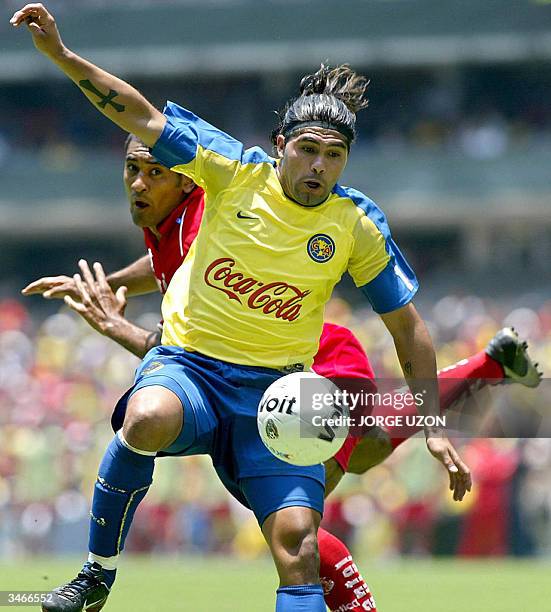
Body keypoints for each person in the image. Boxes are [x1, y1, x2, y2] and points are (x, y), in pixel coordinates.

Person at [10, 4, 478, 610]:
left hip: (278, 395)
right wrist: (63, 57)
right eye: (307, 149)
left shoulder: (356, 226)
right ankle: (96, 575)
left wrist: (432, 425)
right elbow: (142, 115)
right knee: (146, 417)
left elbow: (408, 331)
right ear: (280, 145)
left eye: (333, 156)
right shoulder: (232, 170)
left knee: (298, 548)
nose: (319, 166)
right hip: (192, 369)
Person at [23, 134, 541, 611]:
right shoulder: (171, 229)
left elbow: (183, 349)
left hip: (311, 364)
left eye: (155, 171)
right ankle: (487, 364)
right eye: (132, 169)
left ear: (185, 176)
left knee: (302, 510)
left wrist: (116, 327)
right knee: (350, 464)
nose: (140, 182)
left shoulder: (213, 215)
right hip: (282, 372)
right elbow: (164, 274)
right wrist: (107, 283)